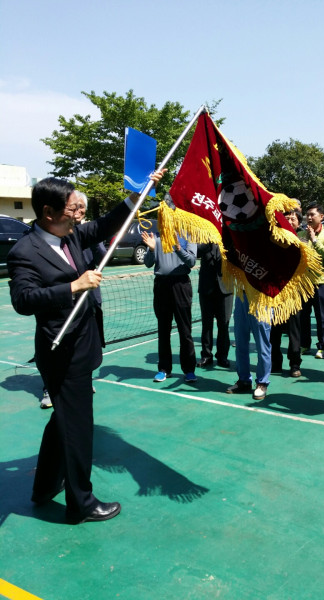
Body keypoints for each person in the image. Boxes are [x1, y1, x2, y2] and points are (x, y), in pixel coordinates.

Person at [7, 170, 165, 523]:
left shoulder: (72, 236)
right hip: (60, 351)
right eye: (70, 209)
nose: (77, 215)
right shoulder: (25, 251)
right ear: (49, 213)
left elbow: (107, 223)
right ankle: (82, 504)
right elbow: (23, 299)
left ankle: (45, 486)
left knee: (62, 422)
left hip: (84, 344)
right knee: (77, 427)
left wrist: (138, 193)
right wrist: (73, 287)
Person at [40, 190, 107, 409]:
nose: (77, 213)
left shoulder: (84, 233)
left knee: (88, 344)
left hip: (90, 298)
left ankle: (84, 380)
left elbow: (101, 256)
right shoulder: (56, 237)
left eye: (81, 209)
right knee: (56, 346)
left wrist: (94, 237)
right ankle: (49, 389)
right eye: (74, 208)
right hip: (62, 303)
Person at [142, 230, 197, 382]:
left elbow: (192, 262)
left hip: (181, 285)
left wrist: (178, 249)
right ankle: (164, 369)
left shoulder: (188, 236)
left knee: (185, 330)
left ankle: (189, 370)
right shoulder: (156, 237)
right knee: (163, 330)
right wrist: (152, 249)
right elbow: (148, 263)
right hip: (161, 286)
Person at [298, 202, 324, 359]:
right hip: (304, 282)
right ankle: (304, 344)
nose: (309, 217)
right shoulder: (300, 235)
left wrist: (314, 240)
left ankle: (322, 346)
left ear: (321, 217)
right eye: (307, 215)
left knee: (321, 317)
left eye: (312, 215)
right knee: (303, 316)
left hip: (320, 282)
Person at [270, 205, 303, 377]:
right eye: (286, 218)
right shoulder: (273, 240)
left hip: (294, 294)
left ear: (298, 223)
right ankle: (275, 363)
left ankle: (295, 364)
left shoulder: (303, 242)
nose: (289, 221)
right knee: (274, 331)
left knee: (294, 331)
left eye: (293, 219)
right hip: (275, 293)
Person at [227, 292, 272, 400]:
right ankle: (244, 380)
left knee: (262, 344)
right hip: (242, 295)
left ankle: (262, 383)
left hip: (261, 296)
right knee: (240, 340)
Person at [196, 243, 233, 368]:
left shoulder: (229, 234)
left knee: (224, 324)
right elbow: (195, 251)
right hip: (207, 286)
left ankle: (222, 356)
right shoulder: (203, 233)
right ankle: (206, 355)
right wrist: (209, 241)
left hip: (225, 287)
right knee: (207, 324)